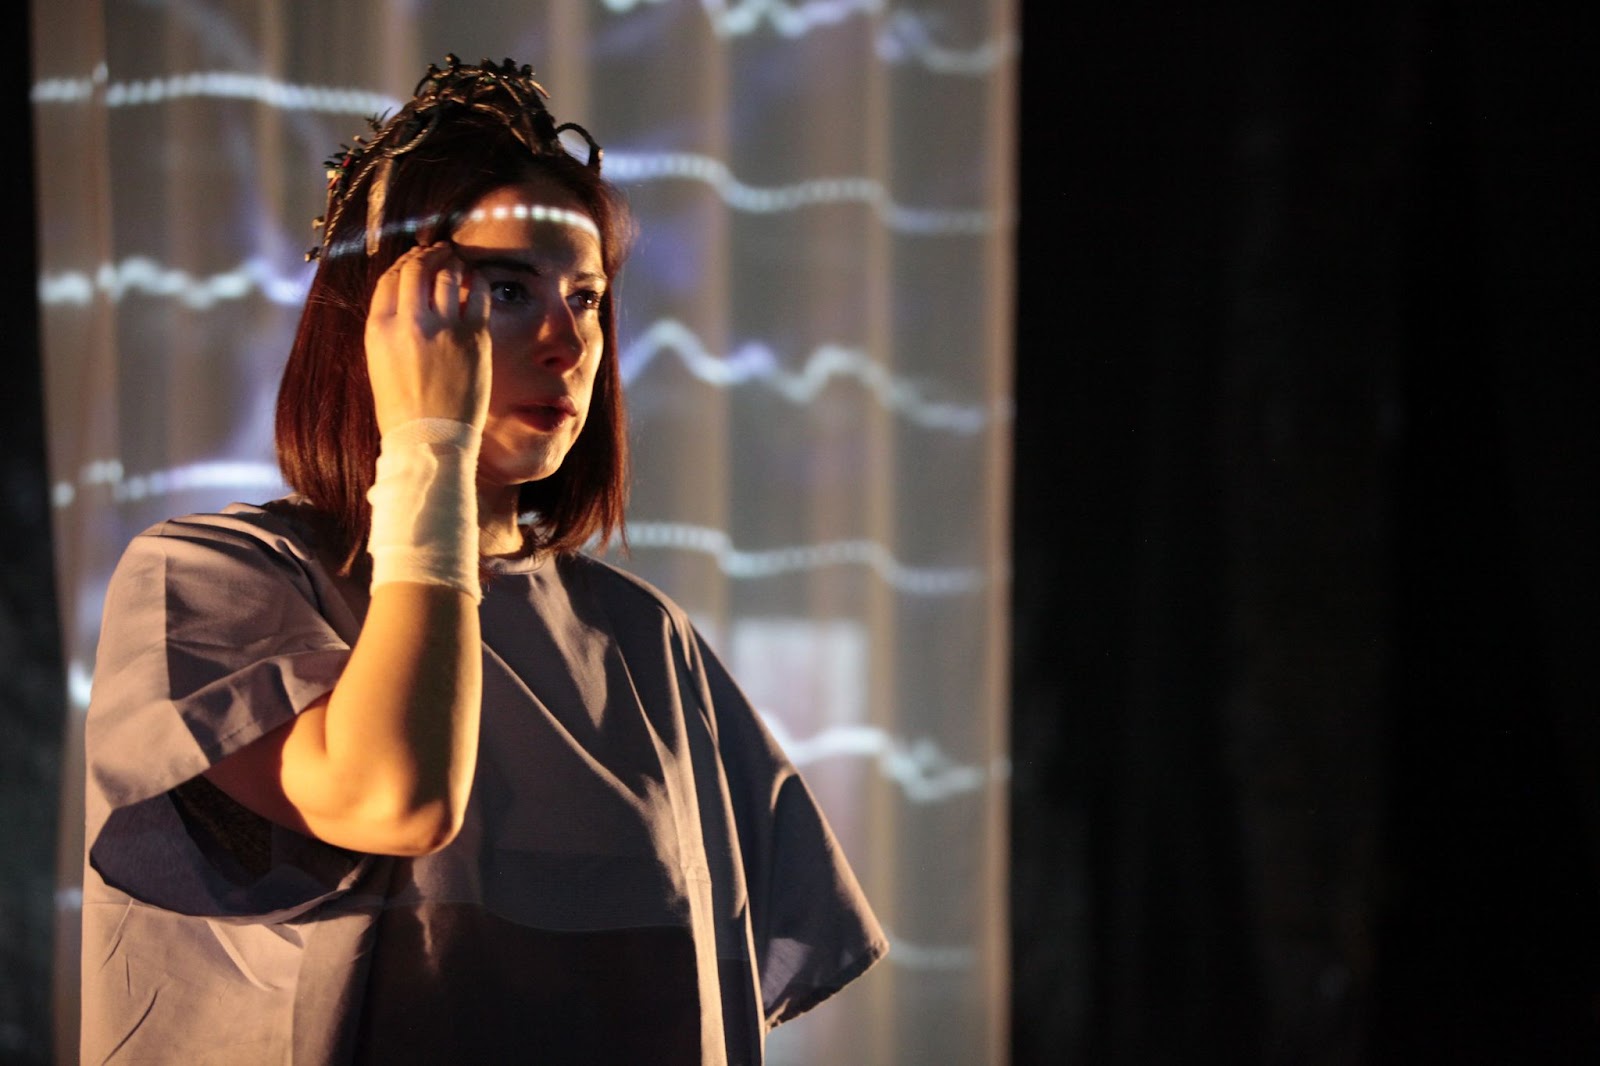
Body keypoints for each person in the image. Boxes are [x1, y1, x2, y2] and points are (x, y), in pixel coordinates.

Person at [80, 55, 886, 1064]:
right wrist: (429, 446)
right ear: (380, 322)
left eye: (586, 299)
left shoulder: (648, 644)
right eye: (505, 290)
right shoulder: (212, 581)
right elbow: (396, 796)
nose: (566, 343)